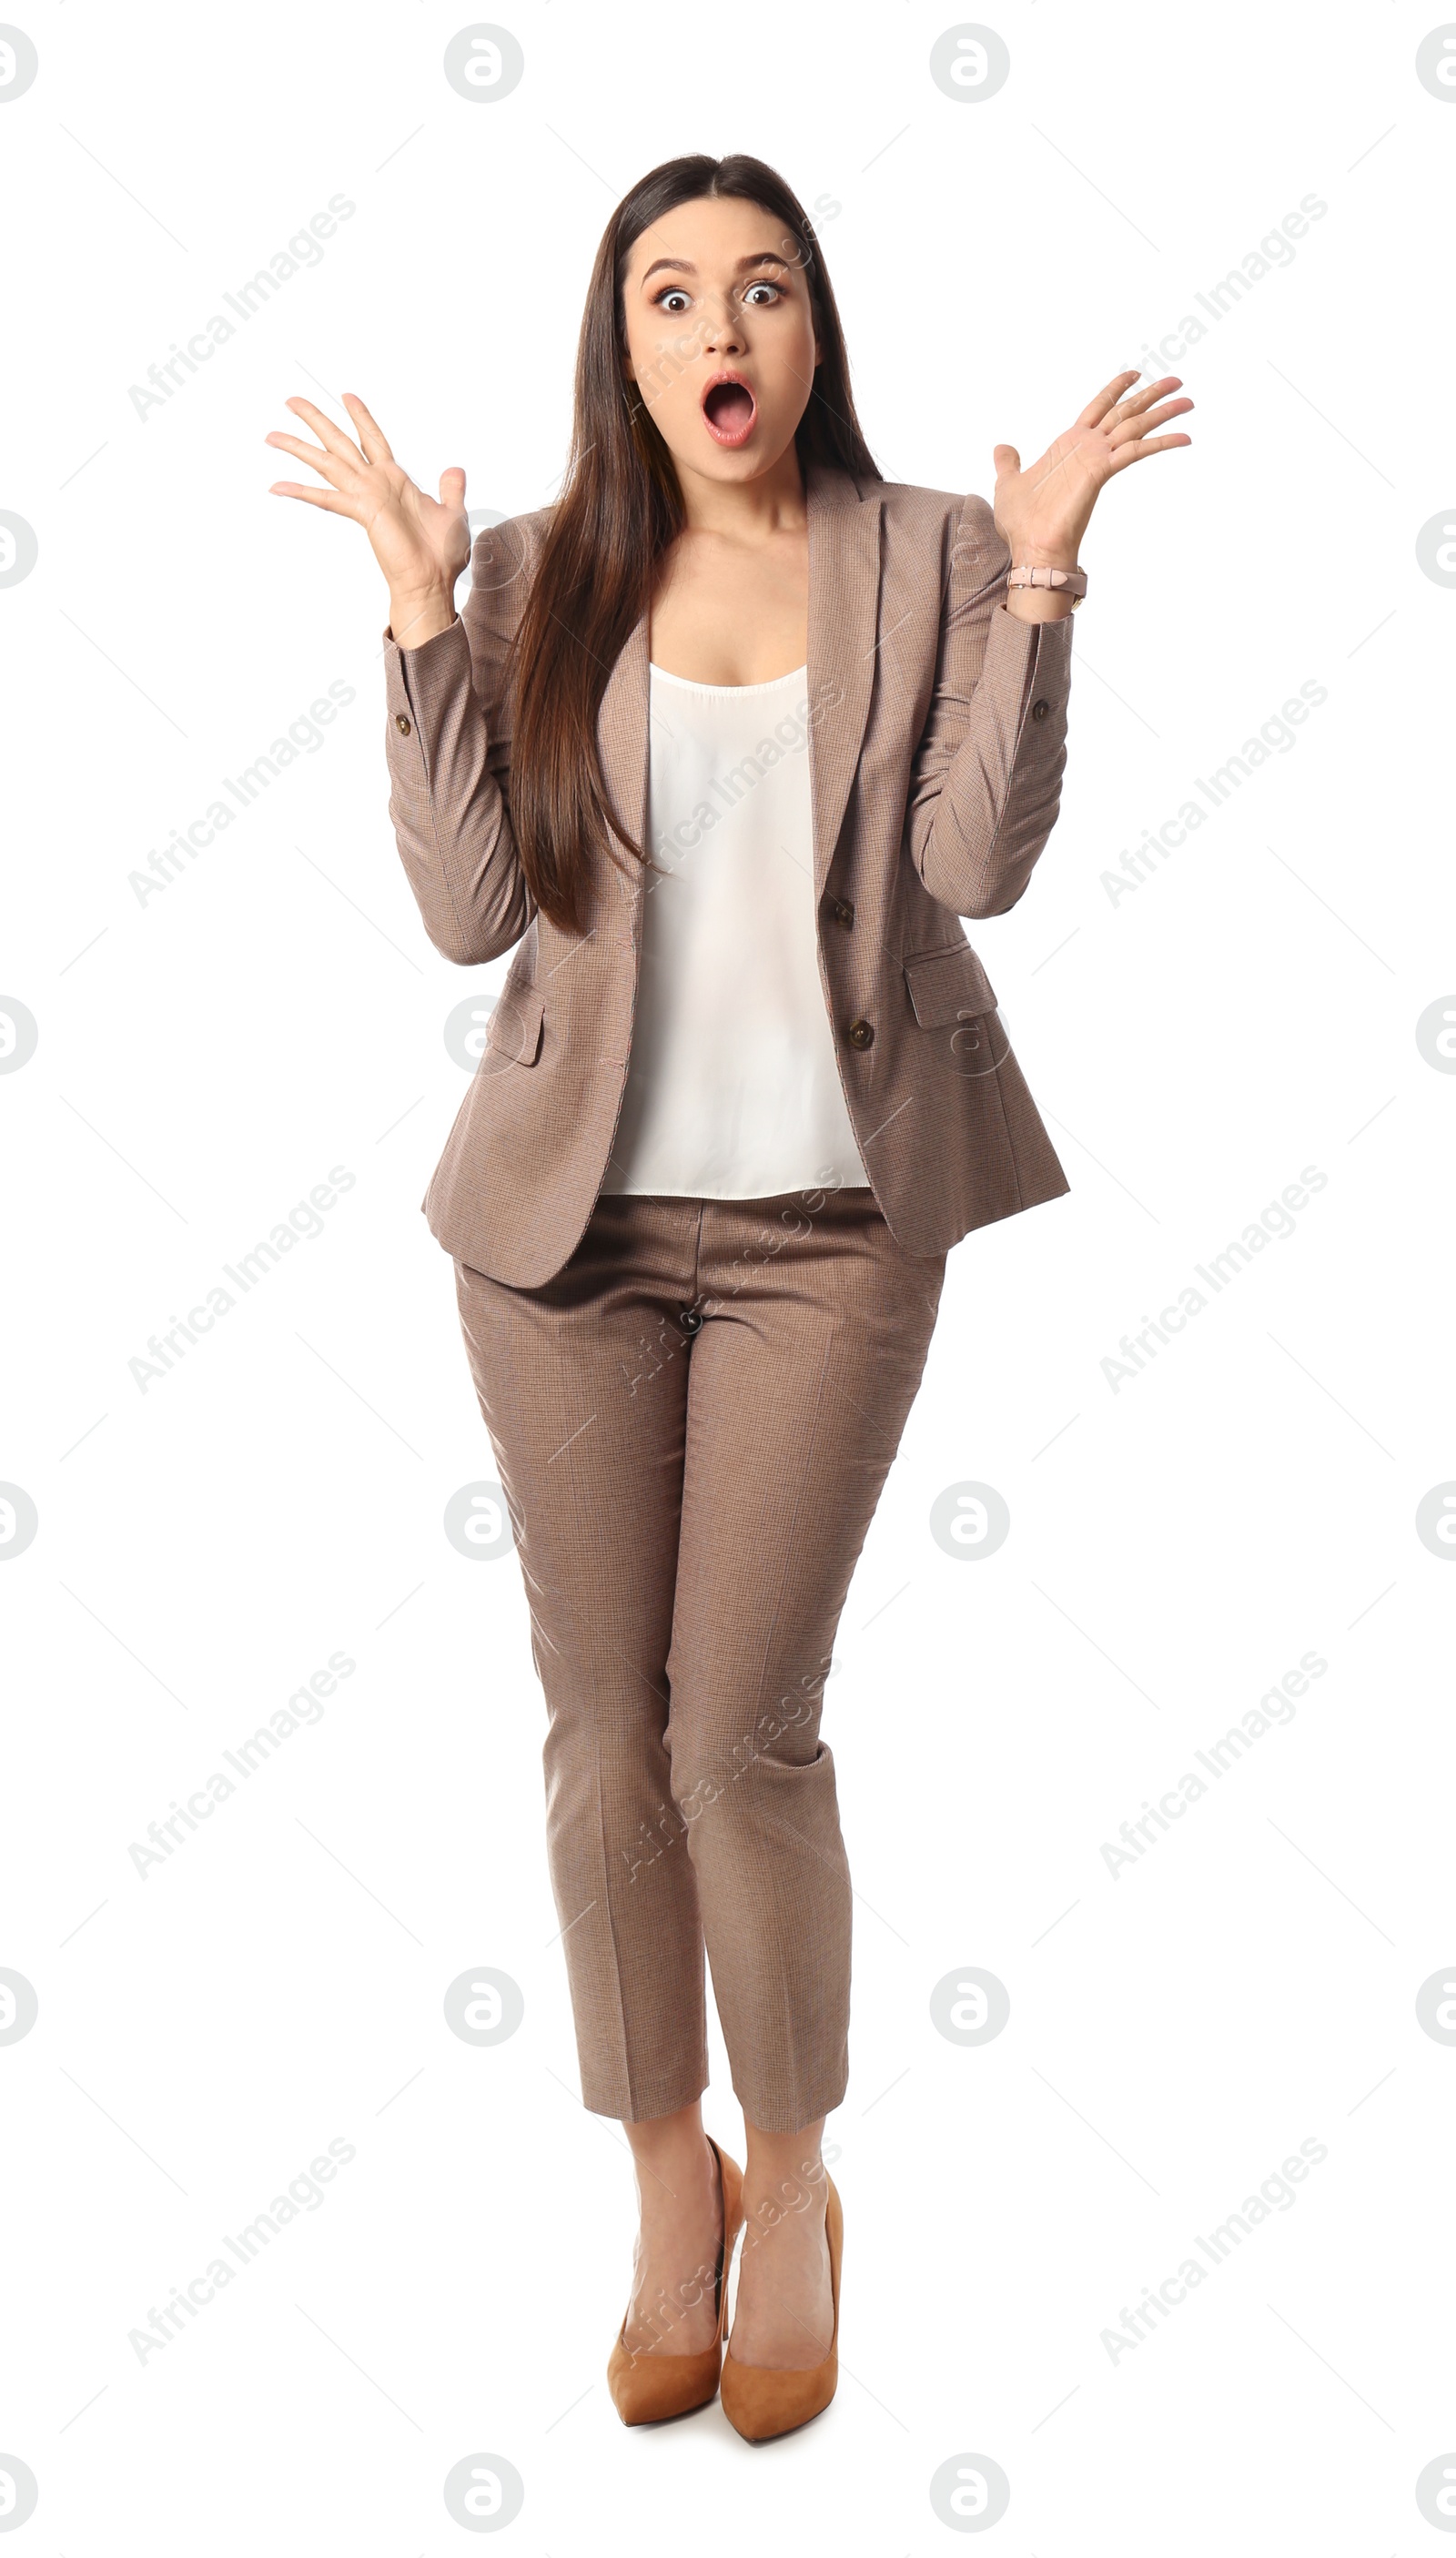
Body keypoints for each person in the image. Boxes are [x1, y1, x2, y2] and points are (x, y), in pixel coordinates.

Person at [266, 150, 1191, 2442]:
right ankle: (661, 2176)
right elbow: (472, 915)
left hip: (824, 1240)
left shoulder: (935, 556)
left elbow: (976, 857)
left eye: (762, 290)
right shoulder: (528, 576)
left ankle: (796, 2181)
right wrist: (407, 617)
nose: (724, 333)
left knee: (731, 1734)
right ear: (626, 340)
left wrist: (1053, 565)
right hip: (565, 1250)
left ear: (810, 331)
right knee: (601, 1748)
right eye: (676, 294)